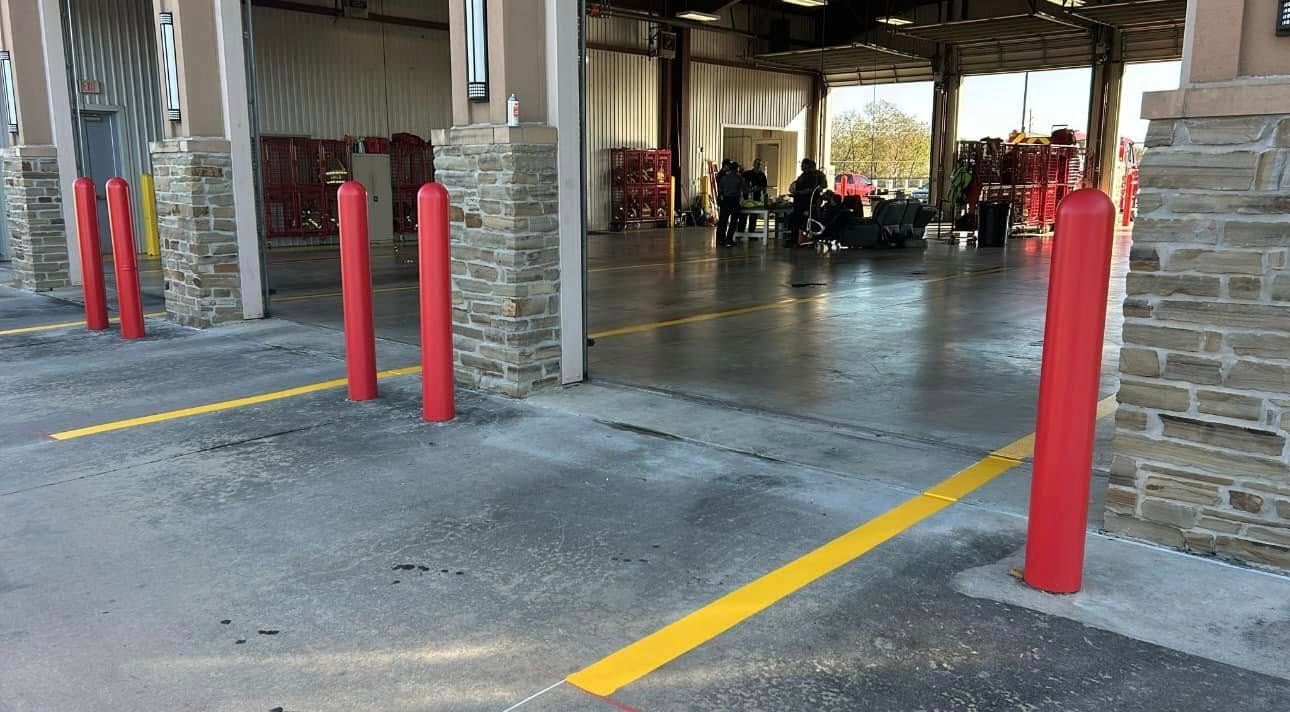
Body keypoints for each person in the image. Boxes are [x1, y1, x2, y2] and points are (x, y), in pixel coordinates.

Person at [785, 158, 828, 247]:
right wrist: (793, 188)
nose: (801, 166)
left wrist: (798, 193)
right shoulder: (803, 175)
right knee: (793, 218)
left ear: (808, 166)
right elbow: (796, 184)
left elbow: (810, 189)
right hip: (799, 202)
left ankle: (796, 239)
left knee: (798, 219)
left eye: (803, 165)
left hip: (807, 202)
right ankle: (794, 238)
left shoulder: (813, 176)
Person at [715, 159, 745, 247]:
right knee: (733, 221)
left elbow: (720, 189)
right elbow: (744, 189)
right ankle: (729, 238)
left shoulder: (723, 178)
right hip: (735, 201)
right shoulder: (739, 178)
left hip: (725, 200)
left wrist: (720, 198)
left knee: (723, 220)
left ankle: (721, 239)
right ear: (737, 169)